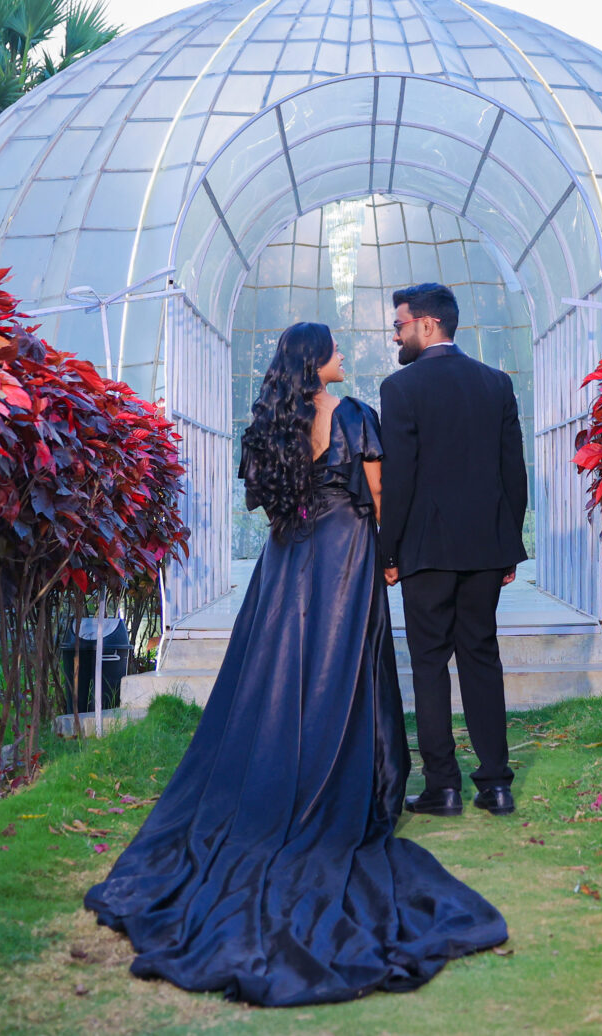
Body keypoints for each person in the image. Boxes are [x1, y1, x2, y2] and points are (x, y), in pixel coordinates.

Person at [85, 321, 506, 1004]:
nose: (343, 355)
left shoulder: (273, 425)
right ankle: (343, 790)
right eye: (334, 348)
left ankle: (282, 778)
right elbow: (378, 499)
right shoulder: (355, 416)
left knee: (278, 680)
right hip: (345, 557)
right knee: (347, 675)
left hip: (287, 562)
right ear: (316, 361)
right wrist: (393, 556)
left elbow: (269, 498)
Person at [377, 282, 527, 818]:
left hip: (425, 551)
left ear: (428, 325)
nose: (396, 334)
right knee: (482, 659)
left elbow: (399, 479)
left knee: (430, 664)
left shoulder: (399, 390)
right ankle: (497, 785)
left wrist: (387, 552)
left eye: (399, 325)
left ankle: (443, 787)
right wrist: (509, 546)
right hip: (487, 547)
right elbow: (514, 471)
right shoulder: (495, 384)